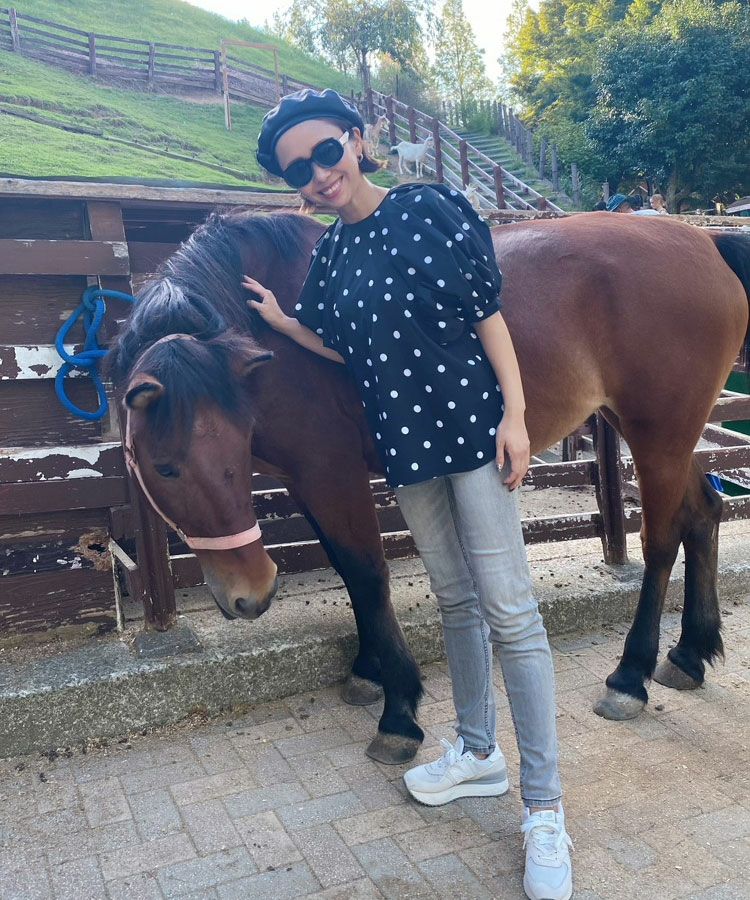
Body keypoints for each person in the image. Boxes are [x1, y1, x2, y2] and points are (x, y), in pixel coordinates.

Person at [247, 88, 573, 900]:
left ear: (356, 141)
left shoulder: (429, 208)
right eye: (299, 170)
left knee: (511, 612)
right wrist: (285, 326)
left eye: (327, 152)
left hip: (472, 431)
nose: (319, 174)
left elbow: (487, 315)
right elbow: (344, 343)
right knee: (456, 600)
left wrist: (517, 416)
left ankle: (545, 809)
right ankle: (477, 751)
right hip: (406, 448)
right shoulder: (330, 257)